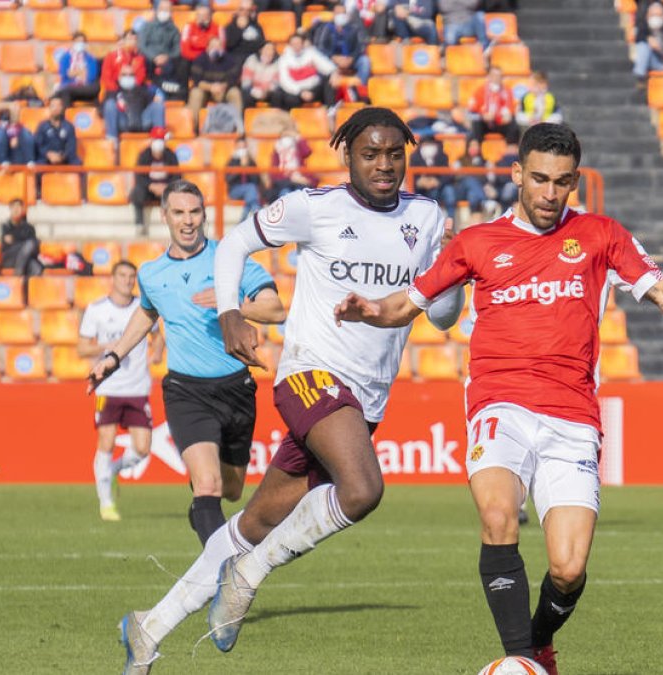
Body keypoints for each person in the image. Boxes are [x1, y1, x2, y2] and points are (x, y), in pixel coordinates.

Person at [330, 123, 663, 674]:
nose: (551, 194)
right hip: (498, 404)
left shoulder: (601, 235)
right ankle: (521, 661)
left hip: (572, 415)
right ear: (518, 174)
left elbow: (659, 288)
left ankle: (537, 645)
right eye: (541, 180)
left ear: (575, 181)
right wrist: (369, 309)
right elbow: (408, 305)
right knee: (499, 516)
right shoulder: (476, 243)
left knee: (569, 568)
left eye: (563, 183)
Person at [117, 108, 462, 672]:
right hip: (310, 374)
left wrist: (451, 267)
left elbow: (442, 315)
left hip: (366, 399)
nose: (384, 164)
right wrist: (230, 312)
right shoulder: (314, 208)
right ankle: (250, 574)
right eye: (370, 153)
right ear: (346, 154)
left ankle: (148, 628)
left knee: (255, 521)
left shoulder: (425, 218)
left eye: (394, 154)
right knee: (363, 489)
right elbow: (231, 245)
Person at [89, 180, 285, 548]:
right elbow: (147, 314)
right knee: (207, 484)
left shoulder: (228, 257)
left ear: (204, 215)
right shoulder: (151, 273)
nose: (187, 220)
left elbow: (275, 308)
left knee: (230, 490)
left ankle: (202, 507)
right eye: (178, 212)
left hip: (235, 388)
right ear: (164, 216)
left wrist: (232, 305)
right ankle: (225, 572)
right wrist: (113, 356)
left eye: (194, 212)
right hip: (185, 391)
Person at [78, 261, 164, 522]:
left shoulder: (143, 309)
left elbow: (157, 335)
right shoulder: (97, 310)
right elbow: (82, 348)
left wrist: (158, 351)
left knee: (142, 448)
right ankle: (106, 503)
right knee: (106, 441)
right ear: (113, 279)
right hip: (109, 387)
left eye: (131, 276)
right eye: (123, 276)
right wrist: (109, 346)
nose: (127, 280)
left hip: (137, 387)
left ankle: (113, 470)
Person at [187, 36, 244, 135]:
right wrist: (211, 87)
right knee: (195, 93)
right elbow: (196, 80)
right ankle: (193, 128)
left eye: (219, 46)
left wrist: (222, 86)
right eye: (213, 46)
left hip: (224, 89)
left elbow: (234, 79)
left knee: (235, 93)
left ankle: (237, 128)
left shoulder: (230, 60)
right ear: (207, 48)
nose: (216, 48)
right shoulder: (200, 60)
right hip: (205, 89)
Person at [131, 128, 180, 234]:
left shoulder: (171, 155)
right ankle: (140, 224)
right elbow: (139, 177)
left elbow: (176, 176)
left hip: (165, 190)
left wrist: (166, 187)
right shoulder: (144, 155)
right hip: (149, 190)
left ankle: (174, 225)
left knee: (176, 193)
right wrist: (151, 186)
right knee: (136, 192)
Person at [311, 6, 373, 85]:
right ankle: (326, 90)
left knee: (365, 61)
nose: (340, 15)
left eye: (343, 13)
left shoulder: (354, 27)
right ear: (333, 14)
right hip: (332, 60)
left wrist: (352, 58)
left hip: (350, 59)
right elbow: (320, 47)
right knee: (319, 61)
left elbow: (360, 46)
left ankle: (360, 88)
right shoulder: (326, 27)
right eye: (338, 13)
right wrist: (333, 57)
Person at [103, 66, 167, 141]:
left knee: (157, 106)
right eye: (124, 75)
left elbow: (153, 100)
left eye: (131, 75)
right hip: (123, 123)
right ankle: (112, 141)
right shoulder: (113, 92)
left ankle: (159, 141)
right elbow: (101, 109)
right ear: (119, 77)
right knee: (110, 104)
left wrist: (157, 99)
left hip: (142, 121)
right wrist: (117, 106)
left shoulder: (142, 90)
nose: (128, 77)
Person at [275, 33, 337, 110]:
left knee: (329, 82)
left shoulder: (311, 53)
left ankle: (331, 111)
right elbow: (285, 81)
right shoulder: (283, 59)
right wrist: (301, 92)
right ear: (289, 45)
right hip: (296, 91)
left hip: (313, 88)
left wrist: (333, 73)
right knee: (288, 98)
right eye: (293, 44)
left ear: (303, 43)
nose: (296, 46)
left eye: (298, 43)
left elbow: (327, 66)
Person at [469, 67, 519, 144]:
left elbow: (510, 110)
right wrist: (483, 116)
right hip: (485, 124)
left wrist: (507, 116)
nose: (496, 78)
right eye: (494, 75)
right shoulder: (480, 91)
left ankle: (510, 152)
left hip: (501, 123)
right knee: (476, 123)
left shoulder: (507, 91)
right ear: (489, 77)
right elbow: (472, 111)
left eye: (499, 76)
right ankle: (477, 153)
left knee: (513, 124)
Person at [411, 136, 457, 218]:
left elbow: (447, 175)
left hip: (440, 186)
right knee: (432, 193)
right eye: (426, 144)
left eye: (431, 144)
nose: (429, 147)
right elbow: (412, 177)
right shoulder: (415, 157)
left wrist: (437, 182)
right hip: (421, 190)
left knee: (449, 191)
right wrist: (420, 182)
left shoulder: (442, 156)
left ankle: (451, 218)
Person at [34, 96, 81, 170]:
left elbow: (71, 147)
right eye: (53, 106)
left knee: (77, 164)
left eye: (58, 105)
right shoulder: (42, 126)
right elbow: (38, 145)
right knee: (37, 166)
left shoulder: (69, 126)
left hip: (65, 160)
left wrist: (62, 157)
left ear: (62, 108)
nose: (56, 108)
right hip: (46, 159)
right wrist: (48, 154)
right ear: (49, 108)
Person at [266, 132, 316, 203]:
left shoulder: (298, 151)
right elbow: (274, 177)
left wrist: (299, 138)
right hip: (284, 186)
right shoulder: (277, 156)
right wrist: (292, 179)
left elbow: (307, 151)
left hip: (299, 185)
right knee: (285, 192)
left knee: (302, 194)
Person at [99, 32, 148, 105]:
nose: (132, 42)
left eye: (135, 39)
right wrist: (115, 89)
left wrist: (131, 87)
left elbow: (140, 77)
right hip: (114, 89)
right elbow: (106, 77)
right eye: (130, 39)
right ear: (124, 41)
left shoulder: (140, 59)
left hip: (133, 90)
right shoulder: (111, 56)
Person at [55, 32, 102, 108]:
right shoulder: (66, 57)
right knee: (64, 92)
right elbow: (64, 74)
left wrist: (73, 73)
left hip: (86, 88)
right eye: (78, 41)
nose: (80, 43)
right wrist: (82, 71)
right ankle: (66, 117)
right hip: (69, 87)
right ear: (73, 42)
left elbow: (91, 77)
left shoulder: (90, 59)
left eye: (82, 42)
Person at [0, 199, 42, 277]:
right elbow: (9, 244)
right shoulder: (6, 226)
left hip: (26, 259)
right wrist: (24, 242)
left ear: (23, 209)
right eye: (14, 207)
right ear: (10, 209)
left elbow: (33, 247)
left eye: (19, 207)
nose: (16, 209)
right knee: (29, 244)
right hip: (11, 259)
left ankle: (23, 285)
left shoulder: (29, 227)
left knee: (36, 268)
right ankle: (18, 273)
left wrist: (16, 239)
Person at [225, 137, 263, 219]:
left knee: (250, 195)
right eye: (240, 147)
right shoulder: (232, 161)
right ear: (236, 148)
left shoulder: (251, 162)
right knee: (251, 189)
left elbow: (256, 180)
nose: (242, 150)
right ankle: (257, 211)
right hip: (235, 190)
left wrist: (248, 166)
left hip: (250, 192)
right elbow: (228, 180)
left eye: (244, 147)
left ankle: (243, 220)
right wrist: (240, 167)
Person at [137, 1, 182, 68]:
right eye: (161, 9)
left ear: (171, 13)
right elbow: (142, 45)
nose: (164, 12)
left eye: (167, 10)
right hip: (149, 59)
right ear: (156, 10)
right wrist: (154, 57)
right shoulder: (147, 26)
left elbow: (177, 49)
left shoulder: (174, 30)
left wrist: (167, 57)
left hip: (167, 61)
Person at [241, 42, 282, 109]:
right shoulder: (252, 59)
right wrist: (255, 91)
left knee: (278, 95)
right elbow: (246, 81)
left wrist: (267, 91)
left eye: (271, 49)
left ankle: (273, 118)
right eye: (266, 49)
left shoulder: (278, 62)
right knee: (245, 95)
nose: (268, 51)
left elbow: (276, 83)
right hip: (252, 90)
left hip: (269, 91)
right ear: (261, 50)